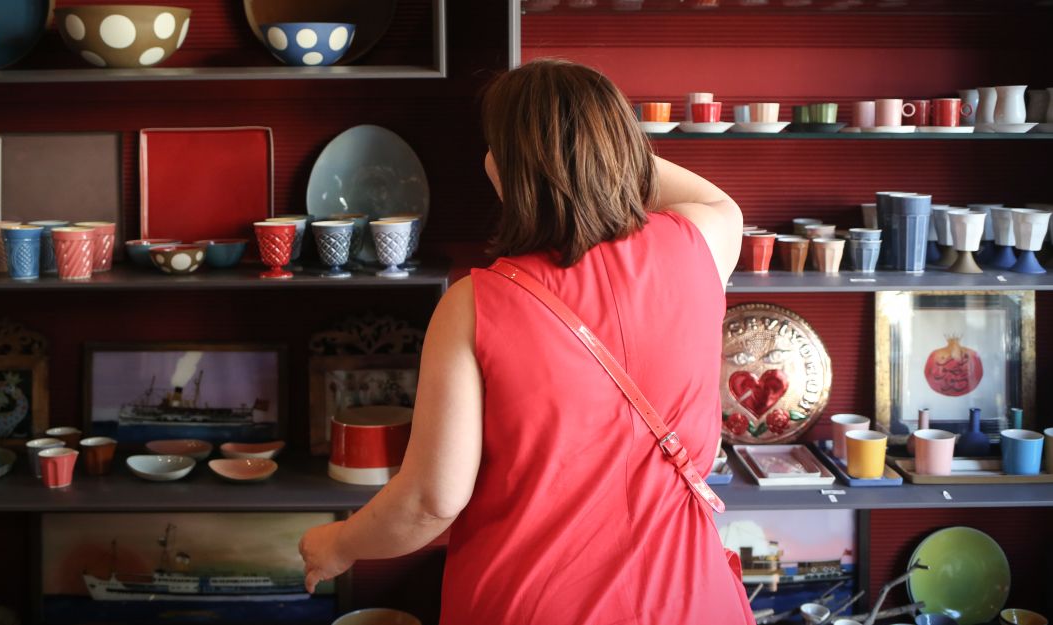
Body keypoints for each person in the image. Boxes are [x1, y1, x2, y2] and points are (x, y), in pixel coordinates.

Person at [299, 58, 753, 624]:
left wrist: (338, 544)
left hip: (531, 604)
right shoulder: (700, 246)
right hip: (689, 600)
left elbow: (431, 501)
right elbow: (718, 201)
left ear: (502, 169)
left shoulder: (472, 306)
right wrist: (596, 146)